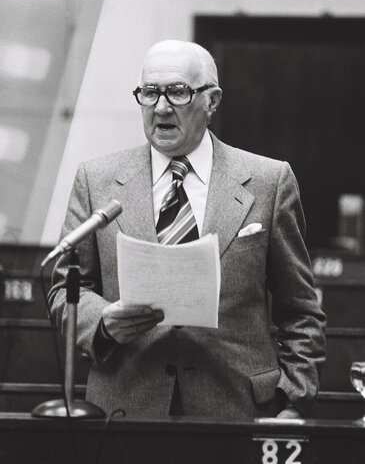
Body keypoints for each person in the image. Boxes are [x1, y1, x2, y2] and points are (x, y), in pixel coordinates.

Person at [49, 39, 326, 419]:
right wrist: (103, 322)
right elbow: (66, 291)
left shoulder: (269, 181)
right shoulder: (95, 181)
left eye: (177, 92)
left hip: (237, 408)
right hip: (125, 409)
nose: (161, 107)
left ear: (211, 101)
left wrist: (293, 401)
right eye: (149, 92)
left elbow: (301, 311)